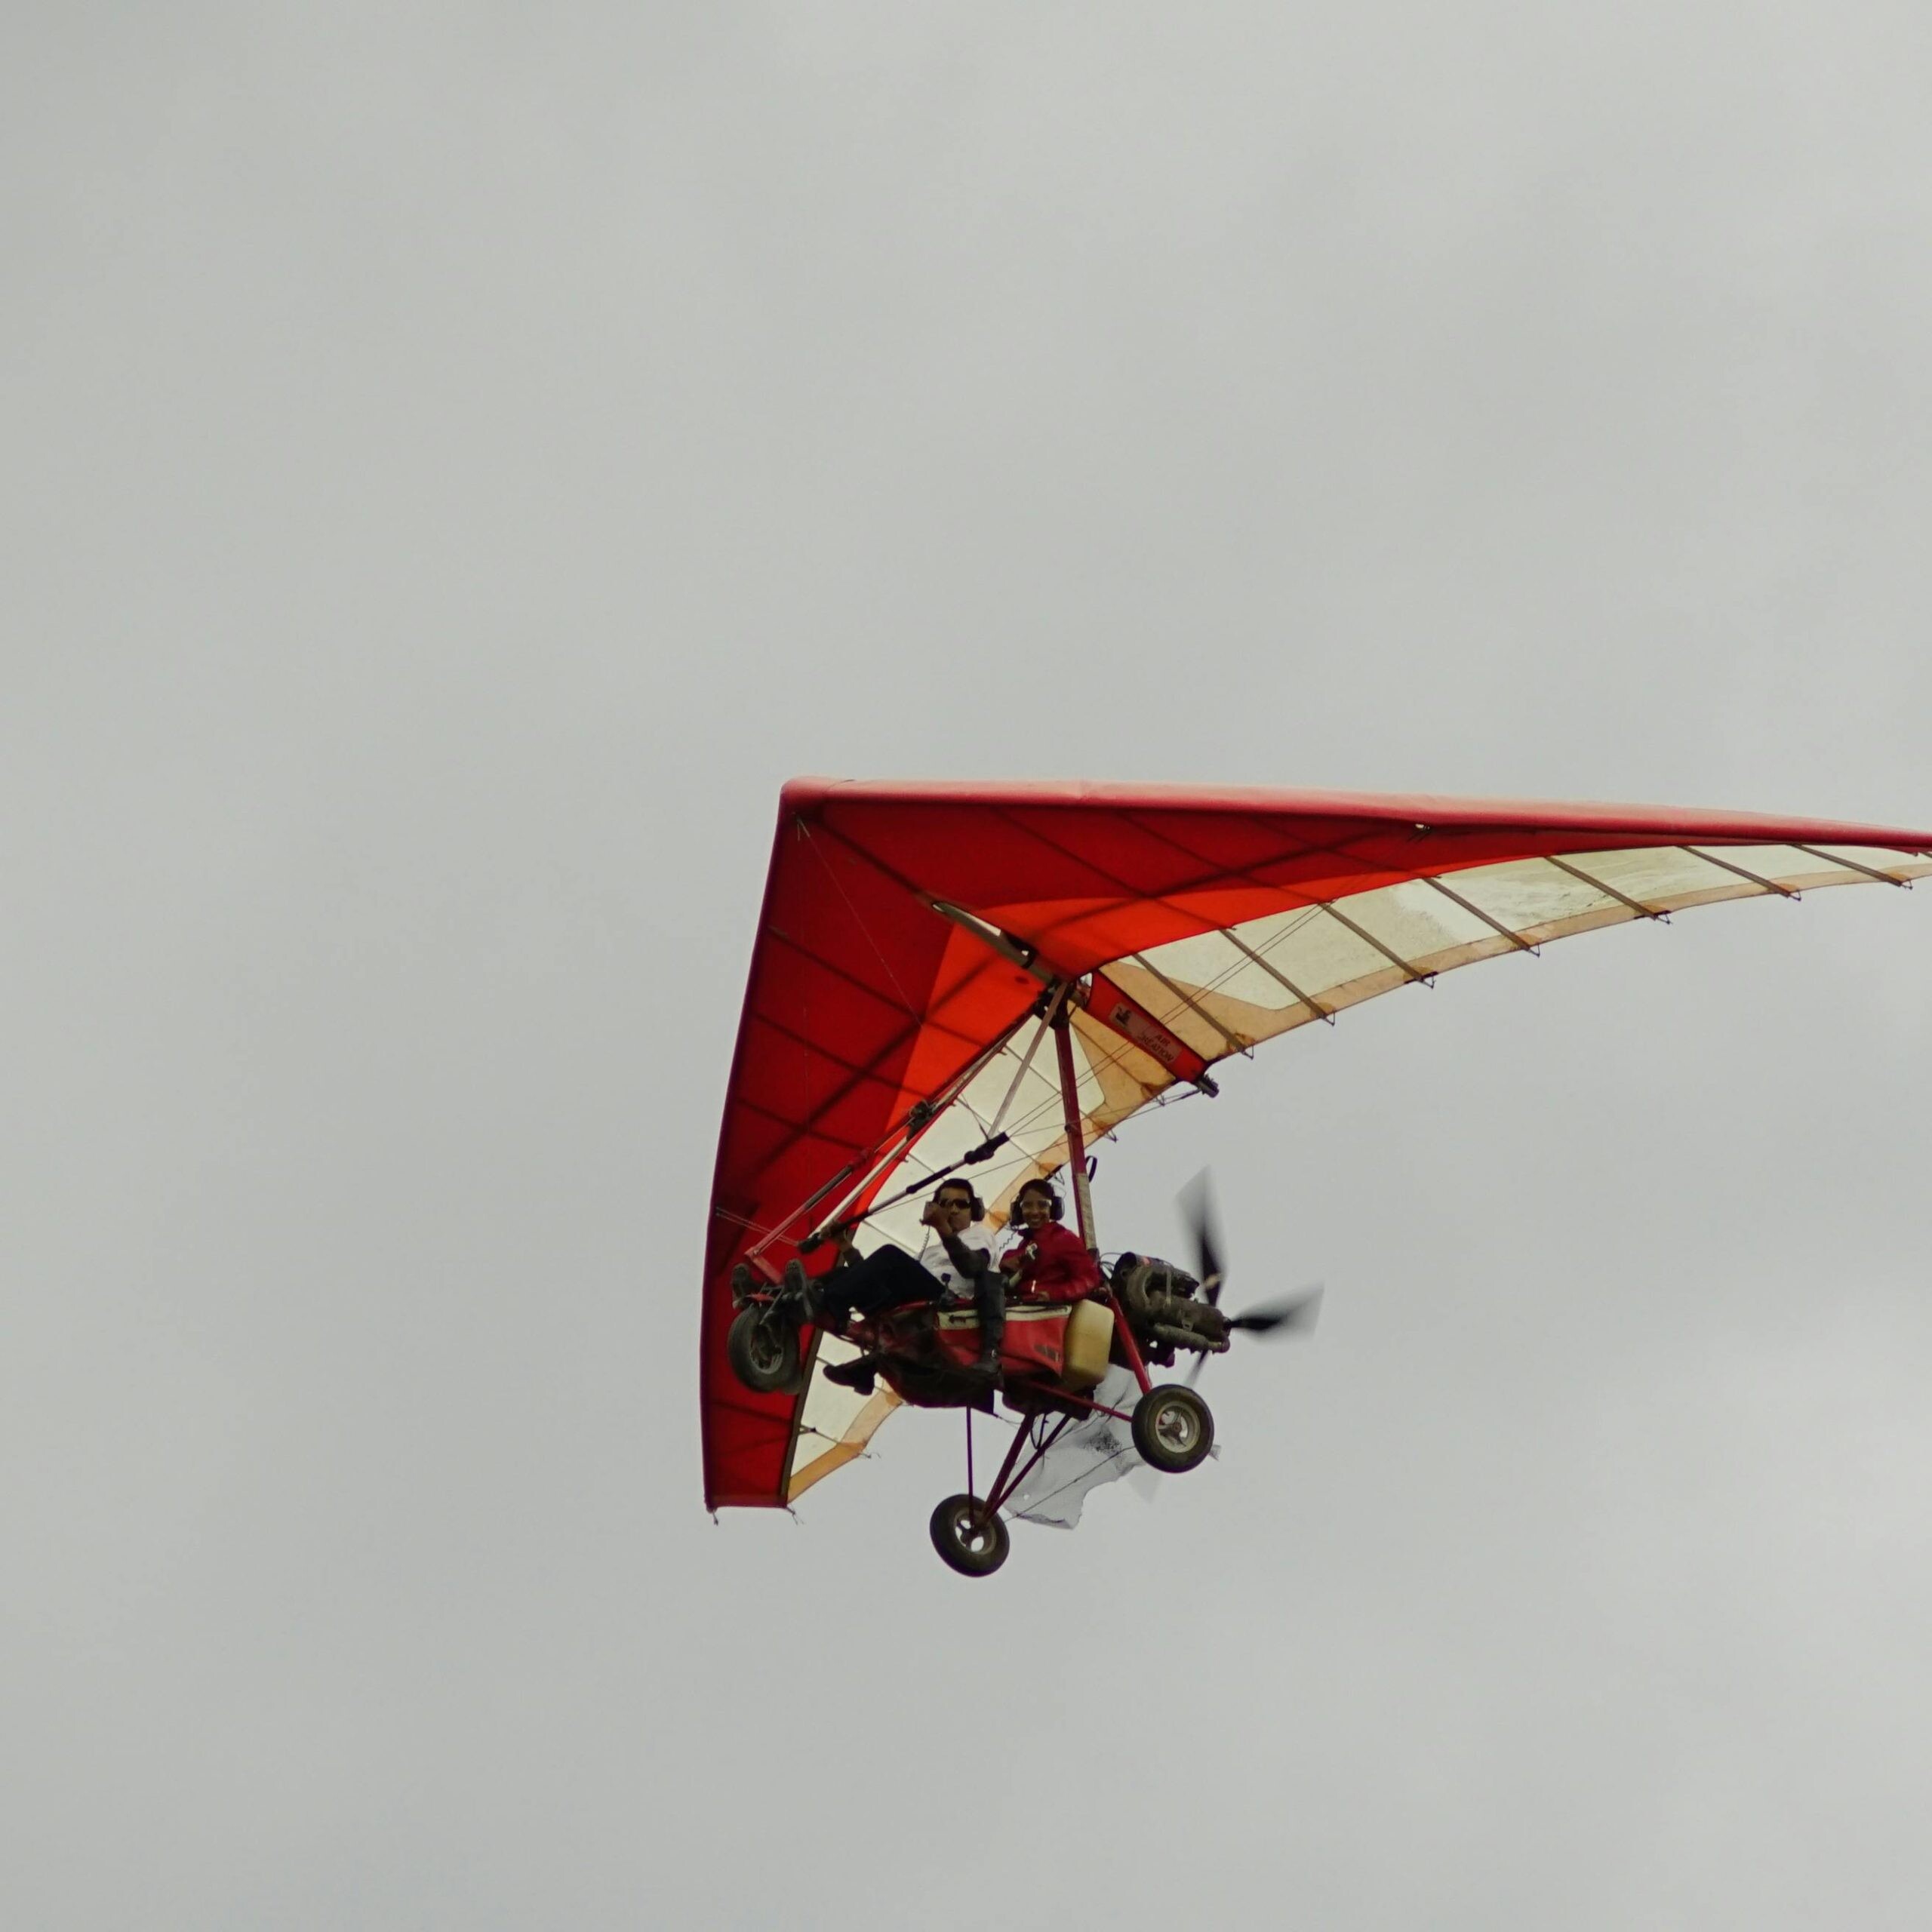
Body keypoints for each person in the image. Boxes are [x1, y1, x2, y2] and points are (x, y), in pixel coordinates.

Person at [816, 1179, 1004, 1390]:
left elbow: (973, 1267)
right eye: (946, 1204)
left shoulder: (979, 1234)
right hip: (914, 1306)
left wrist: (943, 1228)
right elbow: (872, 1274)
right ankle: (800, 1293)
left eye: (961, 1204)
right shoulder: (929, 1253)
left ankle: (827, 1305)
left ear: (974, 1211)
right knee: (846, 1274)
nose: (953, 1209)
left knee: (889, 1255)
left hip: (948, 1306)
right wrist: (845, 1246)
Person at [998, 1177, 1104, 1303]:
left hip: (1051, 1314)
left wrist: (1054, 1295)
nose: (1034, 1212)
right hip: (1021, 1311)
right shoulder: (1020, 1249)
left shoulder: (1064, 1239)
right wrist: (1003, 1264)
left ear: (1053, 1209)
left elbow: (1090, 1279)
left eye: (1042, 1205)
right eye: (1027, 1205)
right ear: (1018, 1211)